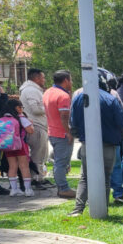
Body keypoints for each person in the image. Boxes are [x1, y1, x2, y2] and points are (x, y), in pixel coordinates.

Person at [67, 72, 123, 216]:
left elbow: (72, 123)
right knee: (106, 177)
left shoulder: (78, 98)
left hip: (87, 143)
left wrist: (81, 137)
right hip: (108, 143)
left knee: (85, 177)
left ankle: (78, 209)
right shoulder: (110, 99)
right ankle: (102, 209)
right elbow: (122, 122)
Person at [44, 70, 75, 198]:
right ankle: (63, 188)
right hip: (62, 133)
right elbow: (64, 115)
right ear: (66, 80)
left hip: (52, 131)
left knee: (59, 161)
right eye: (71, 80)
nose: (72, 82)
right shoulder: (63, 96)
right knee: (61, 162)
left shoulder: (47, 92)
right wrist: (68, 132)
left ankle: (62, 187)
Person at [19, 68, 51, 187]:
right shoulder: (31, 90)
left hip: (38, 125)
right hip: (36, 126)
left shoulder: (33, 90)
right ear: (36, 78)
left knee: (42, 154)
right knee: (38, 155)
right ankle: (36, 179)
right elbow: (36, 109)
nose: (44, 80)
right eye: (43, 77)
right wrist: (49, 107)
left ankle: (39, 177)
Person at [0, 99, 35, 196]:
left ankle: (14, 189)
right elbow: (30, 130)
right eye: (20, 107)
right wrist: (30, 123)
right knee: (24, 166)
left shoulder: (5, 118)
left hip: (9, 146)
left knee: (12, 166)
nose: (21, 109)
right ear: (16, 108)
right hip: (20, 145)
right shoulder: (20, 118)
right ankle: (28, 190)